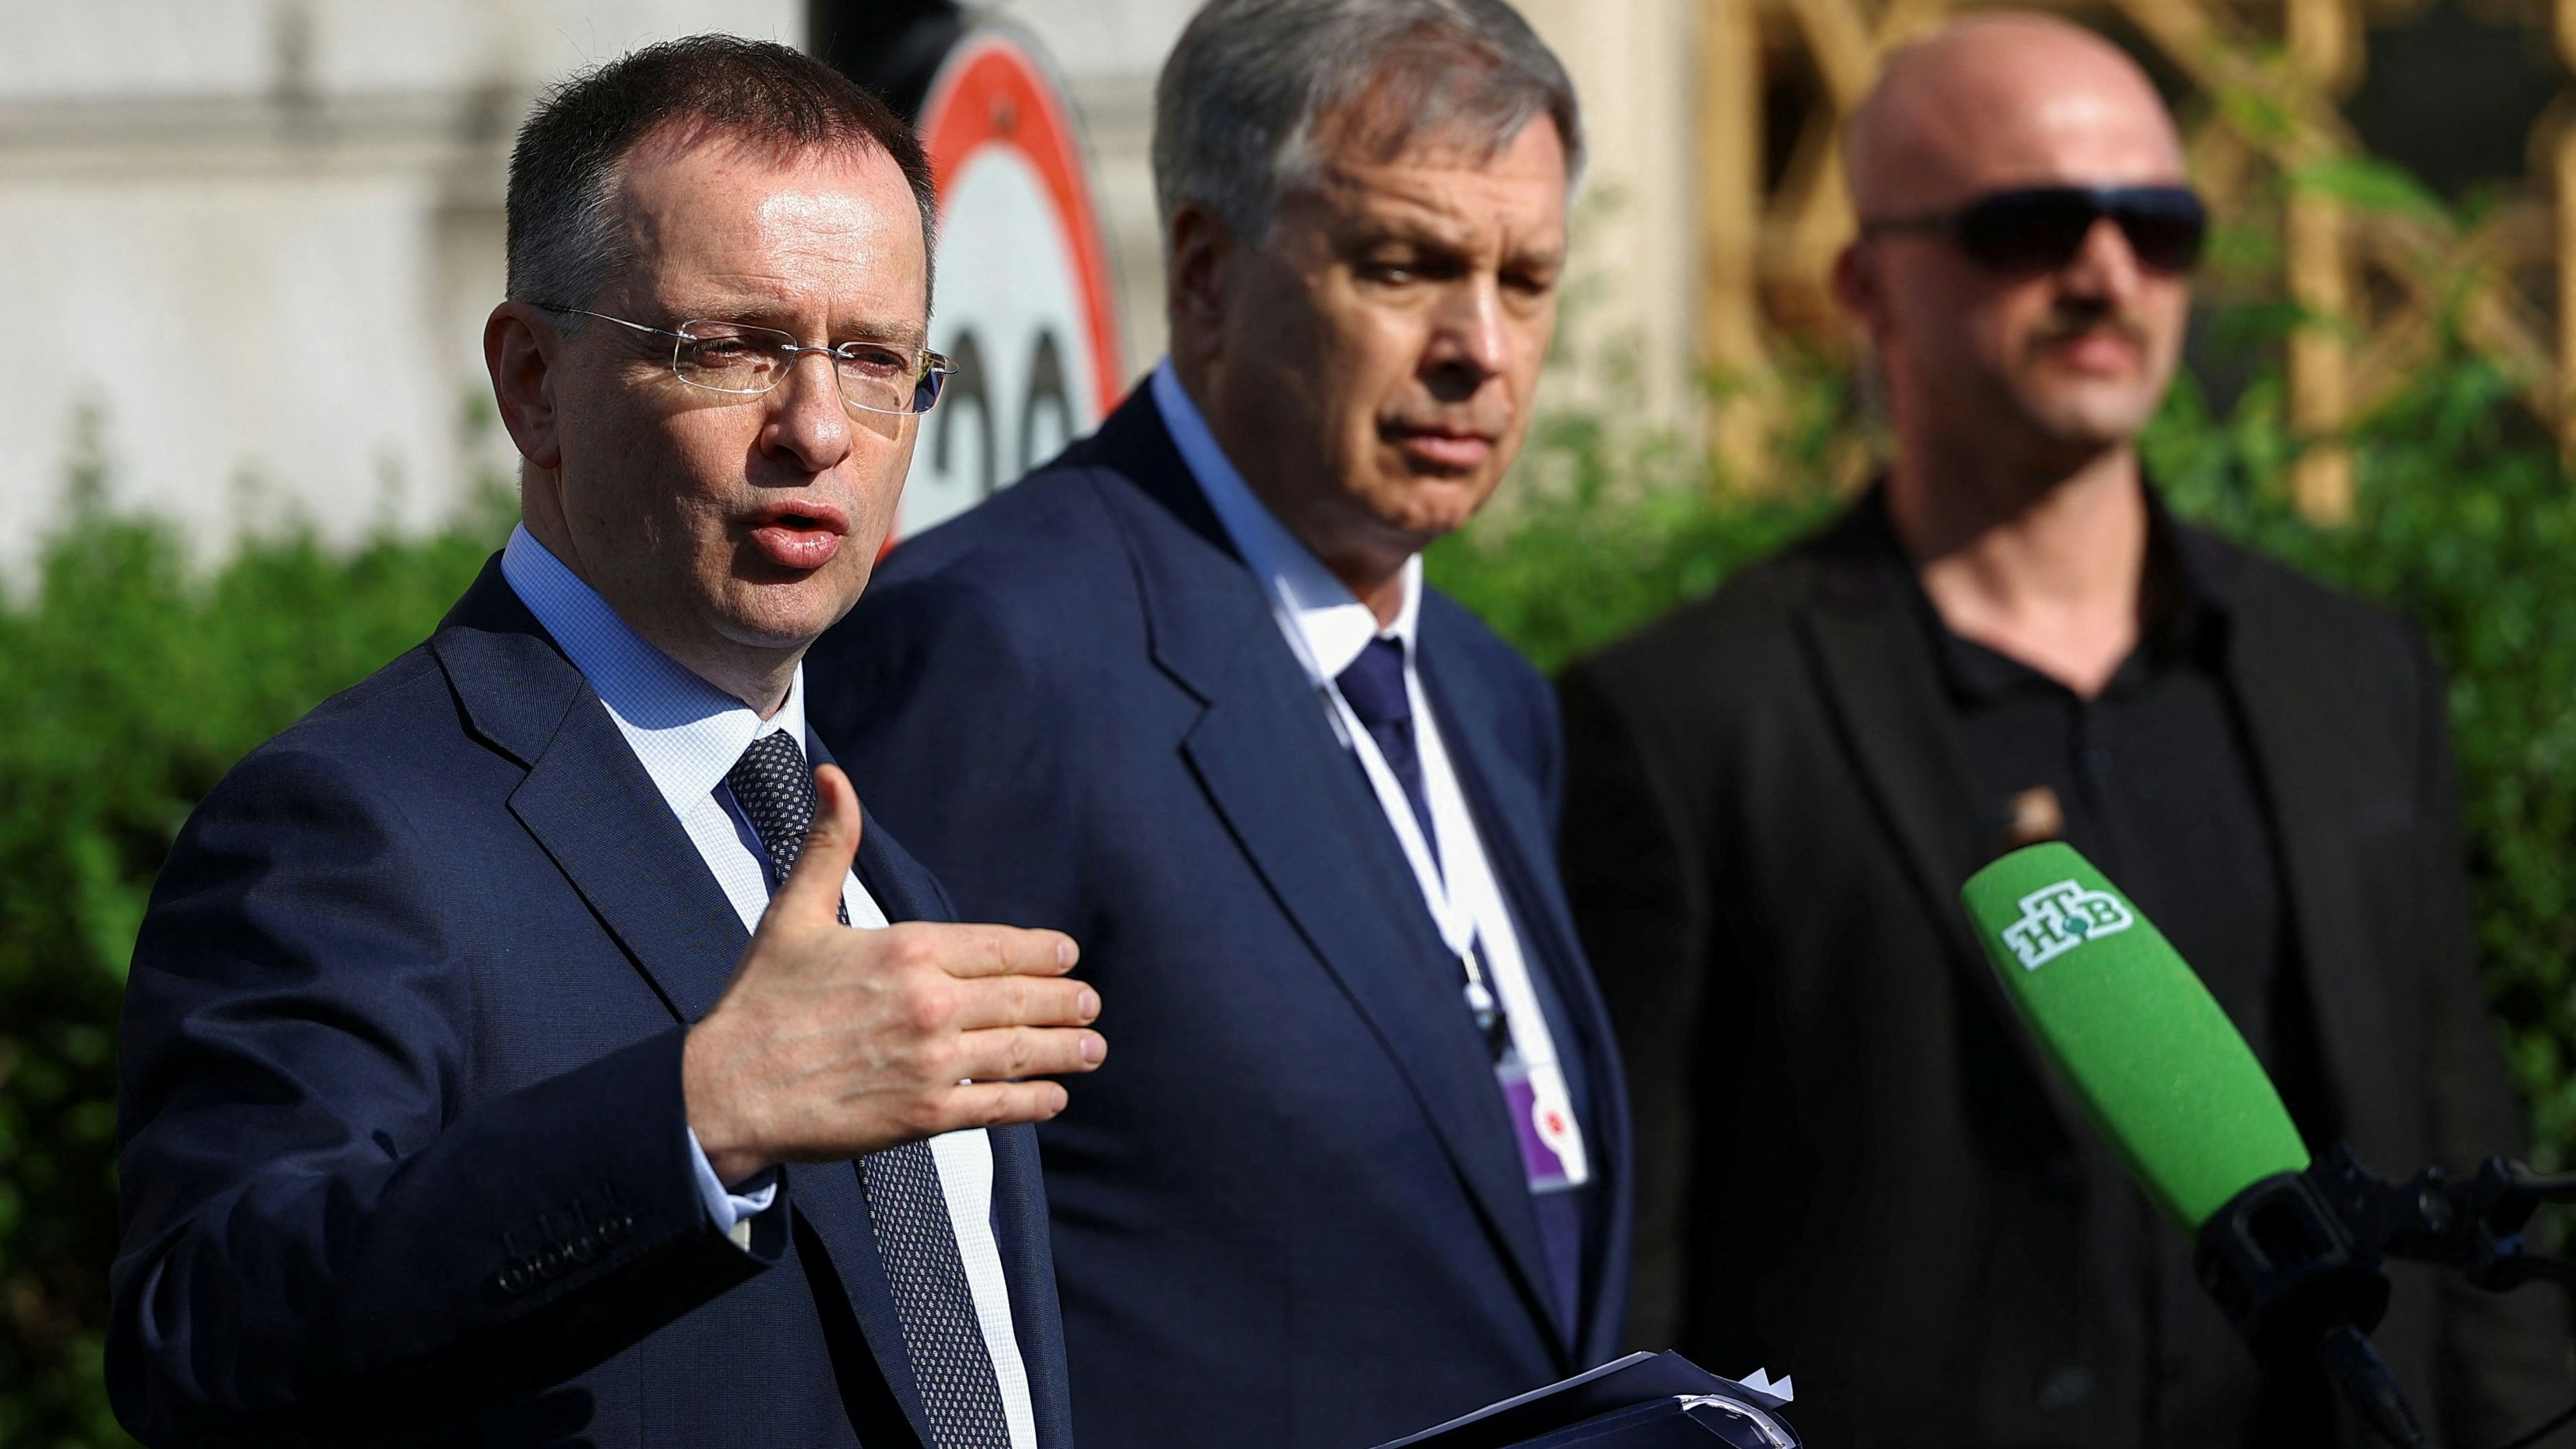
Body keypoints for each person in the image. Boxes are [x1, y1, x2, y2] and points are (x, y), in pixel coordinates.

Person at [1555, 14, 2572, 1447]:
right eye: (2023, 224)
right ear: (1864, 284)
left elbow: (2458, 1150)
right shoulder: (1682, 716)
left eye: (2154, 225)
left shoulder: (2351, 673)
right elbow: (1636, 1267)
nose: (2102, 271)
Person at [108, 37, 1102, 1448]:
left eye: (875, 360)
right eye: (737, 348)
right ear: (532, 382)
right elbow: (205, 1341)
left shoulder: (882, 868)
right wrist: (700, 1115)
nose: (818, 428)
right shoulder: (351, 831)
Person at [802, 3, 1629, 1445]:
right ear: (1203, 271)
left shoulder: (1492, 697)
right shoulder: (996, 649)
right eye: (1407, 266)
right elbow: (884, 1258)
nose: (1480, 347)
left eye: (1527, 276)